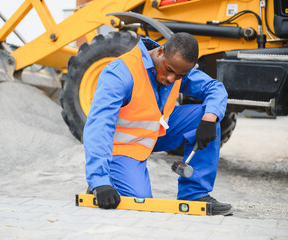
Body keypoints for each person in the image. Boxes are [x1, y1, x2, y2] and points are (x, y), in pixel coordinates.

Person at [83, 32, 232, 215]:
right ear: (160, 51)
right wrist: (100, 181)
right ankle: (106, 182)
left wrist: (209, 118)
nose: (171, 79)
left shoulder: (178, 68)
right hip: (121, 147)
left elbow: (215, 88)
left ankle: (194, 195)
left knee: (207, 115)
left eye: (178, 76)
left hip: (153, 134)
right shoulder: (121, 73)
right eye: (169, 70)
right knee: (141, 204)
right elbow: (99, 126)